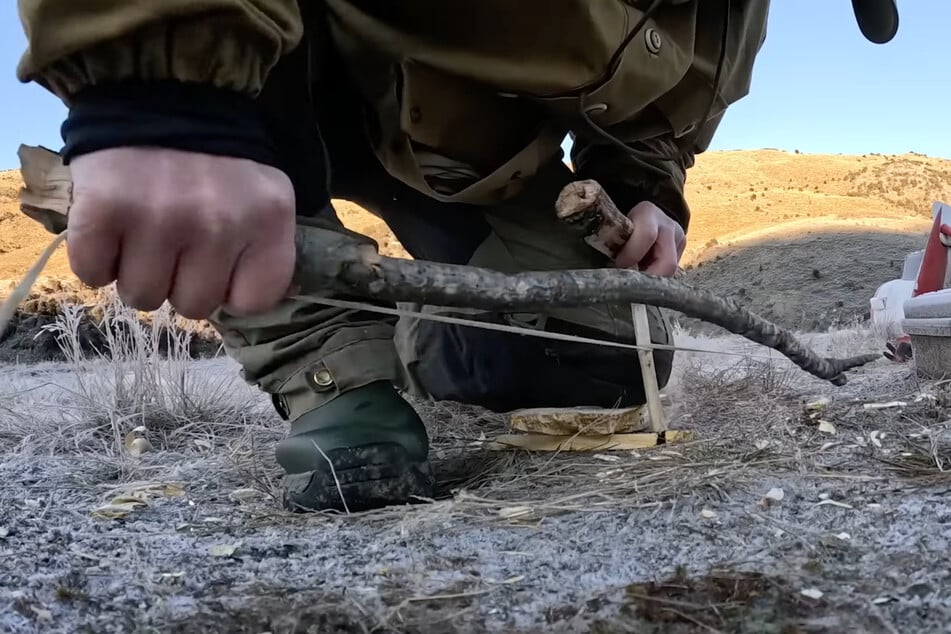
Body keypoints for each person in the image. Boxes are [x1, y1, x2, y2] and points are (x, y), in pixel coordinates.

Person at [15, 1, 898, 513]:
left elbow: (657, 125)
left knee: (604, 357)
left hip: (462, 162)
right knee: (366, 449)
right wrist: (165, 86)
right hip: (271, 70)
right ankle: (335, 375)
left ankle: (402, 333)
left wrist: (645, 192)